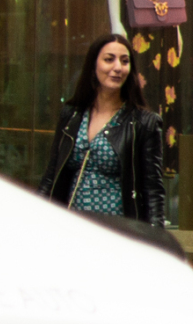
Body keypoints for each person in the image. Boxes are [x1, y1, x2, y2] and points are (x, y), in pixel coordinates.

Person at [39, 34, 168, 227]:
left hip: (117, 232)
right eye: (109, 59)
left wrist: (156, 242)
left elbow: (153, 190)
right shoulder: (72, 115)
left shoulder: (144, 123)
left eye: (125, 61)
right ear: (93, 66)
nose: (118, 67)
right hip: (71, 227)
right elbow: (52, 174)